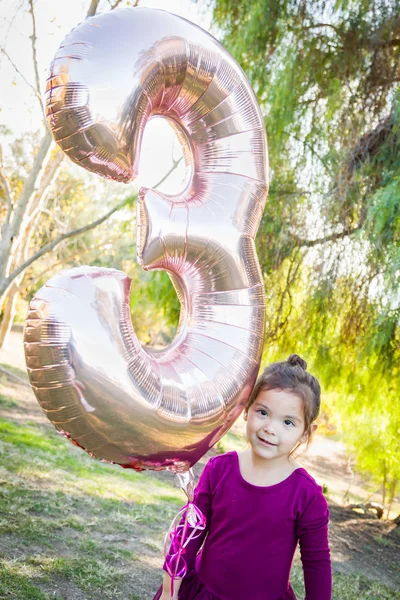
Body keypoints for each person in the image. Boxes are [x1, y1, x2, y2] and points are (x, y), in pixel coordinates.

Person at [154, 354, 332, 600]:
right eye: (263, 412)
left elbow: (317, 563)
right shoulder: (220, 469)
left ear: (305, 433)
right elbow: (189, 532)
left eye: (288, 422)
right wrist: (169, 590)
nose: (270, 428)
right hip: (204, 592)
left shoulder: (307, 495)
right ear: (247, 409)